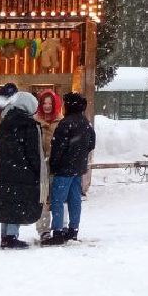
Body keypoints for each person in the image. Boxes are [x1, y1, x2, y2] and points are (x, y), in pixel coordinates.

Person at [45, 92, 95, 244]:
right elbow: (92, 143)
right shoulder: (86, 123)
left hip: (64, 168)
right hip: (78, 168)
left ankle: (58, 232)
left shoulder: (66, 123)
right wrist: (80, 155)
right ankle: (73, 230)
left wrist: (54, 164)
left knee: (58, 200)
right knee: (75, 199)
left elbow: (58, 147)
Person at [0, 91, 42, 248]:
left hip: (6, 168)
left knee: (7, 201)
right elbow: (33, 152)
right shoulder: (29, 125)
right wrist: (36, 169)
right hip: (23, 169)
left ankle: (5, 235)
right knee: (17, 202)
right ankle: (11, 236)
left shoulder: (5, 121)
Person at [33, 89, 63, 240]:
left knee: (58, 197)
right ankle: (44, 229)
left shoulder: (61, 121)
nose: (47, 106)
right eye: (44, 103)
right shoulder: (35, 120)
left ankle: (60, 226)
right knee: (43, 198)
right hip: (41, 165)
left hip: (56, 164)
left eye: (50, 103)